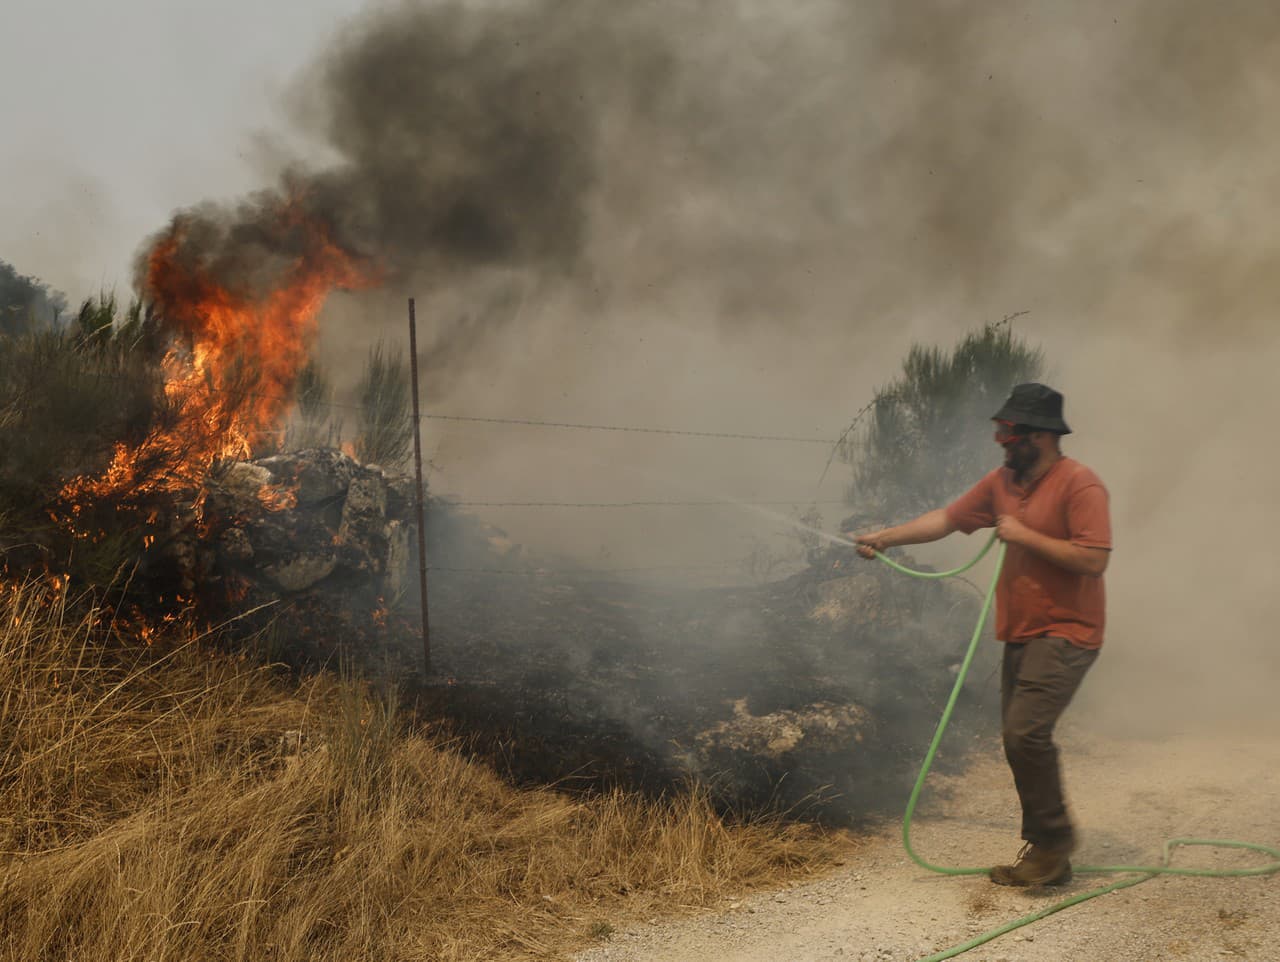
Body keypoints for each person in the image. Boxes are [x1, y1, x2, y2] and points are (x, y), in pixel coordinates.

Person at [846, 383, 1111, 887]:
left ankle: (1052, 842)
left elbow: (1094, 559)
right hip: (1022, 632)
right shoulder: (1001, 483)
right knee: (1018, 740)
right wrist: (886, 537)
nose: (1000, 440)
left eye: (1008, 432)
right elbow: (946, 519)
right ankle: (1051, 852)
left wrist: (1025, 536)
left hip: (1069, 631)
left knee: (1024, 734)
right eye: (999, 430)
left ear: (1041, 435)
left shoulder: (1082, 486)